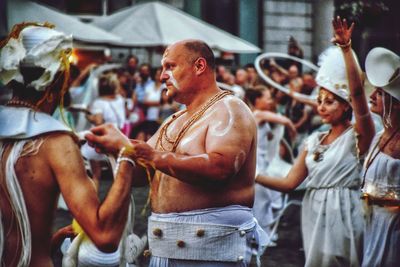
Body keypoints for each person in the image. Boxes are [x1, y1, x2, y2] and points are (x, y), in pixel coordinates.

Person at [86, 39, 267, 266]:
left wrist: (150, 155)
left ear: (199, 66)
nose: (162, 76)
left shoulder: (230, 108)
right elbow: (142, 176)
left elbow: (220, 168)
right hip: (165, 250)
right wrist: (116, 150)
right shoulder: (173, 120)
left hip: (213, 253)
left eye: (170, 67)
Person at [0, 23, 135, 267]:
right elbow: (105, 236)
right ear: (59, 81)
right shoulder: (56, 142)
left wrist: (52, 241)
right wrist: (126, 155)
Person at [256, 17, 375, 267]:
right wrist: (251, 174)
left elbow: (357, 95)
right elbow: (289, 183)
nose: (321, 106)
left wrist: (346, 50)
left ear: (345, 107)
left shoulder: (358, 135)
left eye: (329, 101)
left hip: (346, 210)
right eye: (319, 101)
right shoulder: (312, 140)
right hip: (313, 212)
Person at [361, 46, 400, 266]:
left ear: (393, 102)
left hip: (394, 228)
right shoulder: (378, 137)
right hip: (371, 222)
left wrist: (381, 201)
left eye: (380, 93)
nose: (372, 96)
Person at [244, 86, 296, 243]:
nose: (270, 101)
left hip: (263, 161)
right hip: (256, 162)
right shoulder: (258, 114)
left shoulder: (260, 117)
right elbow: (285, 120)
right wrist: (291, 129)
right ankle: (259, 236)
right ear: (257, 100)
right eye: (267, 98)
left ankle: (261, 234)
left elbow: (268, 134)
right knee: (262, 198)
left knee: (264, 198)